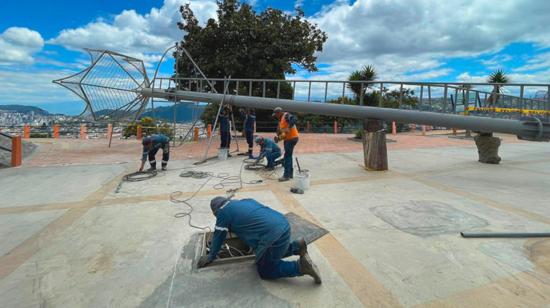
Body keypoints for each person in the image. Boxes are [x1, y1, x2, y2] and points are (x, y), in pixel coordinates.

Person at [198, 197, 322, 284]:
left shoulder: (222, 214)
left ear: (215, 211)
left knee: (265, 269)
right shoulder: (245, 201)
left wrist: (210, 256)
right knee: (270, 254)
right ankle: (296, 247)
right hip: (283, 225)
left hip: (272, 237)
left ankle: (300, 267)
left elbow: (219, 236)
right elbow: (254, 221)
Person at [272, 107, 299, 182]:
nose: (275, 116)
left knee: (287, 157)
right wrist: (278, 138)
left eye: (276, 114)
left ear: (279, 112)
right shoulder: (281, 121)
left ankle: (286, 175)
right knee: (288, 156)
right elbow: (284, 134)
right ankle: (290, 174)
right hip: (289, 139)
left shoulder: (286, 115)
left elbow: (294, 119)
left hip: (292, 138)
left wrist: (288, 127)